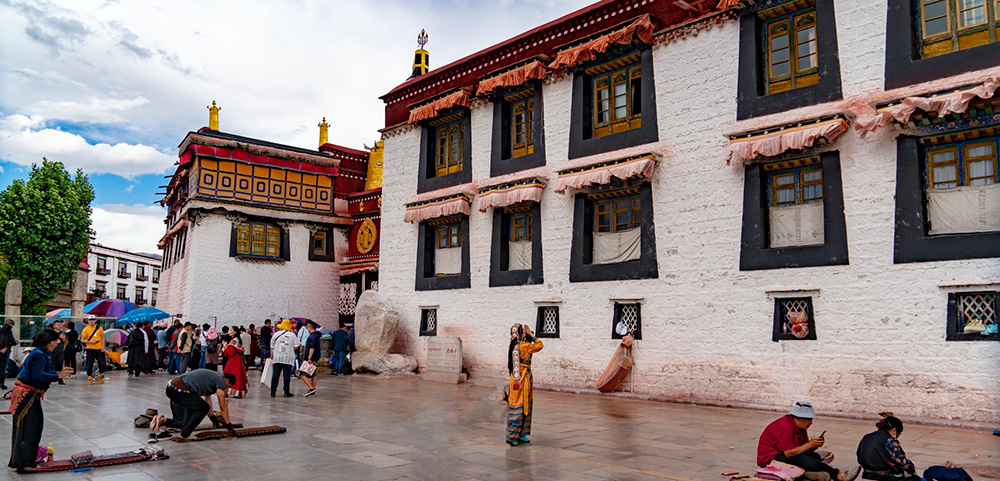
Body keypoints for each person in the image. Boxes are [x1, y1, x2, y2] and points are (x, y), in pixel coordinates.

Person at [8, 329, 74, 471]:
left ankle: (25, 459)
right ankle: (25, 461)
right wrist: (58, 376)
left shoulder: (41, 352)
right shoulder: (38, 354)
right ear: (47, 341)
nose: (57, 343)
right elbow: (38, 376)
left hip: (30, 394)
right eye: (55, 340)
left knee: (31, 426)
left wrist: (58, 373)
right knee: (31, 427)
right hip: (27, 395)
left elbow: (42, 372)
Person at [757, 401, 861, 481]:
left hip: (788, 454)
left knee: (812, 456)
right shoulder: (785, 427)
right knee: (800, 458)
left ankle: (810, 470)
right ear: (798, 418)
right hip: (770, 460)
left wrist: (814, 445)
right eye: (809, 419)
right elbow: (790, 453)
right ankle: (837, 475)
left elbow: (801, 447)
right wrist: (810, 445)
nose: (811, 422)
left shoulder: (800, 428)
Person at [857, 416, 974, 481]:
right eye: (898, 434)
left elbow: (859, 456)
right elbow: (903, 463)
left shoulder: (866, 436)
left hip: (867, 474)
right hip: (884, 477)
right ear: (894, 430)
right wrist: (911, 468)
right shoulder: (890, 440)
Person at [147, 369, 236, 442]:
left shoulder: (212, 380)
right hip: (181, 389)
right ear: (227, 380)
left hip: (172, 389)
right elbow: (222, 404)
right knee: (203, 408)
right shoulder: (220, 379)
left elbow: (207, 400)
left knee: (184, 423)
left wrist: (213, 419)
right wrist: (229, 425)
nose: (226, 389)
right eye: (228, 386)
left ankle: (162, 420)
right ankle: (185, 434)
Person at [506, 323, 543, 447]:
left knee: (522, 404)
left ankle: (520, 434)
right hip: (521, 379)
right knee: (520, 405)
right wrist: (532, 335)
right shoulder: (524, 346)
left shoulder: (513, 346)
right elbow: (540, 345)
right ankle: (513, 436)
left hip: (518, 378)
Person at [269, 319, 298, 398]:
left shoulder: (276, 334)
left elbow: (272, 346)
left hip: (277, 357)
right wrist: (290, 349)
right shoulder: (292, 335)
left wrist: (272, 355)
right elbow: (296, 346)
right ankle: (286, 391)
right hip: (288, 358)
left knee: (275, 374)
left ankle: (273, 392)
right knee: (286, 375)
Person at [80, 317, 107, 385]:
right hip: (90, 348)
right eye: (90, 320)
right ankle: (89, 377)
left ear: (95, 321)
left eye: (93, 320)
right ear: (88, 321)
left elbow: (102, 337)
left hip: (99, 348)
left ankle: (100, 375)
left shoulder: (99, 328)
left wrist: (103, 346)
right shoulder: (86, 329)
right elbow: (82, 339)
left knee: (102, 363)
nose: (91, 321)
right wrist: (89, 342)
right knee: (89, 364)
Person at [299, 320, 321, 396]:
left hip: (310, 358)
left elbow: (312, 347)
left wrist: (309, 358)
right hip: (315, 358)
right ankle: (312, 389)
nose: (307, 329)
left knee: (302, 374)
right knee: (313, 374)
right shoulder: (316, 335)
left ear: (309, 327)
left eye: (307, 327)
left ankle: (311, 388)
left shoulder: (313, 336)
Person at [47, 320, 67, 386]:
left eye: (60, 324)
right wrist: (60, 338)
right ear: (54, 326)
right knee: (52, 364)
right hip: (52, 350)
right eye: (58, 324)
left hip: (60, 351)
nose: (59, 326)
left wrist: (64, 339)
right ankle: (50, 378)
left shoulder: (63, 333)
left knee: (60, 364)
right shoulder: (51, 333)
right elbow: (56, 341)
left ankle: (60, 379)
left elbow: (66, 342)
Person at [0, 320, 16, 390]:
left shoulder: (0, 330)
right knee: (2, 368)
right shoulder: (9, 331)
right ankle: (2, 383)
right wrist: (6, 347)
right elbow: (12, 341)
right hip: (5, 352)